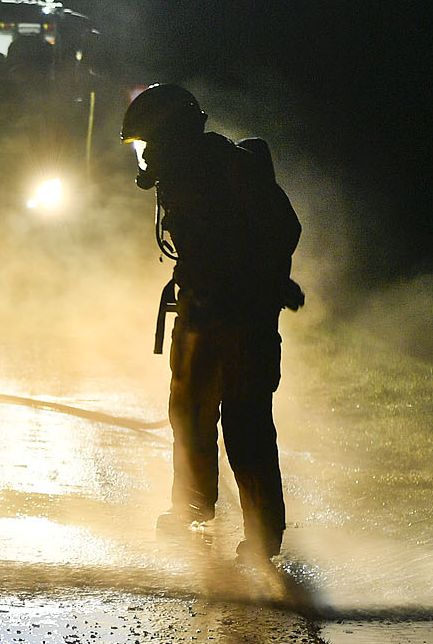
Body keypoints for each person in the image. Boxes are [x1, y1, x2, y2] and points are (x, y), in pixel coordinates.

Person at [121, 84, 303, 566]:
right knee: (189, 413)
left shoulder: (222, 169)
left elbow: (284, 228)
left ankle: (262, 538)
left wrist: (264, 282)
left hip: (241, 317)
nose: (145, 155)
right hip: (202, 311)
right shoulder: (185, 173)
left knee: (245, 424)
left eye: (149, 142)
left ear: (173, 135)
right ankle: (192, 506)